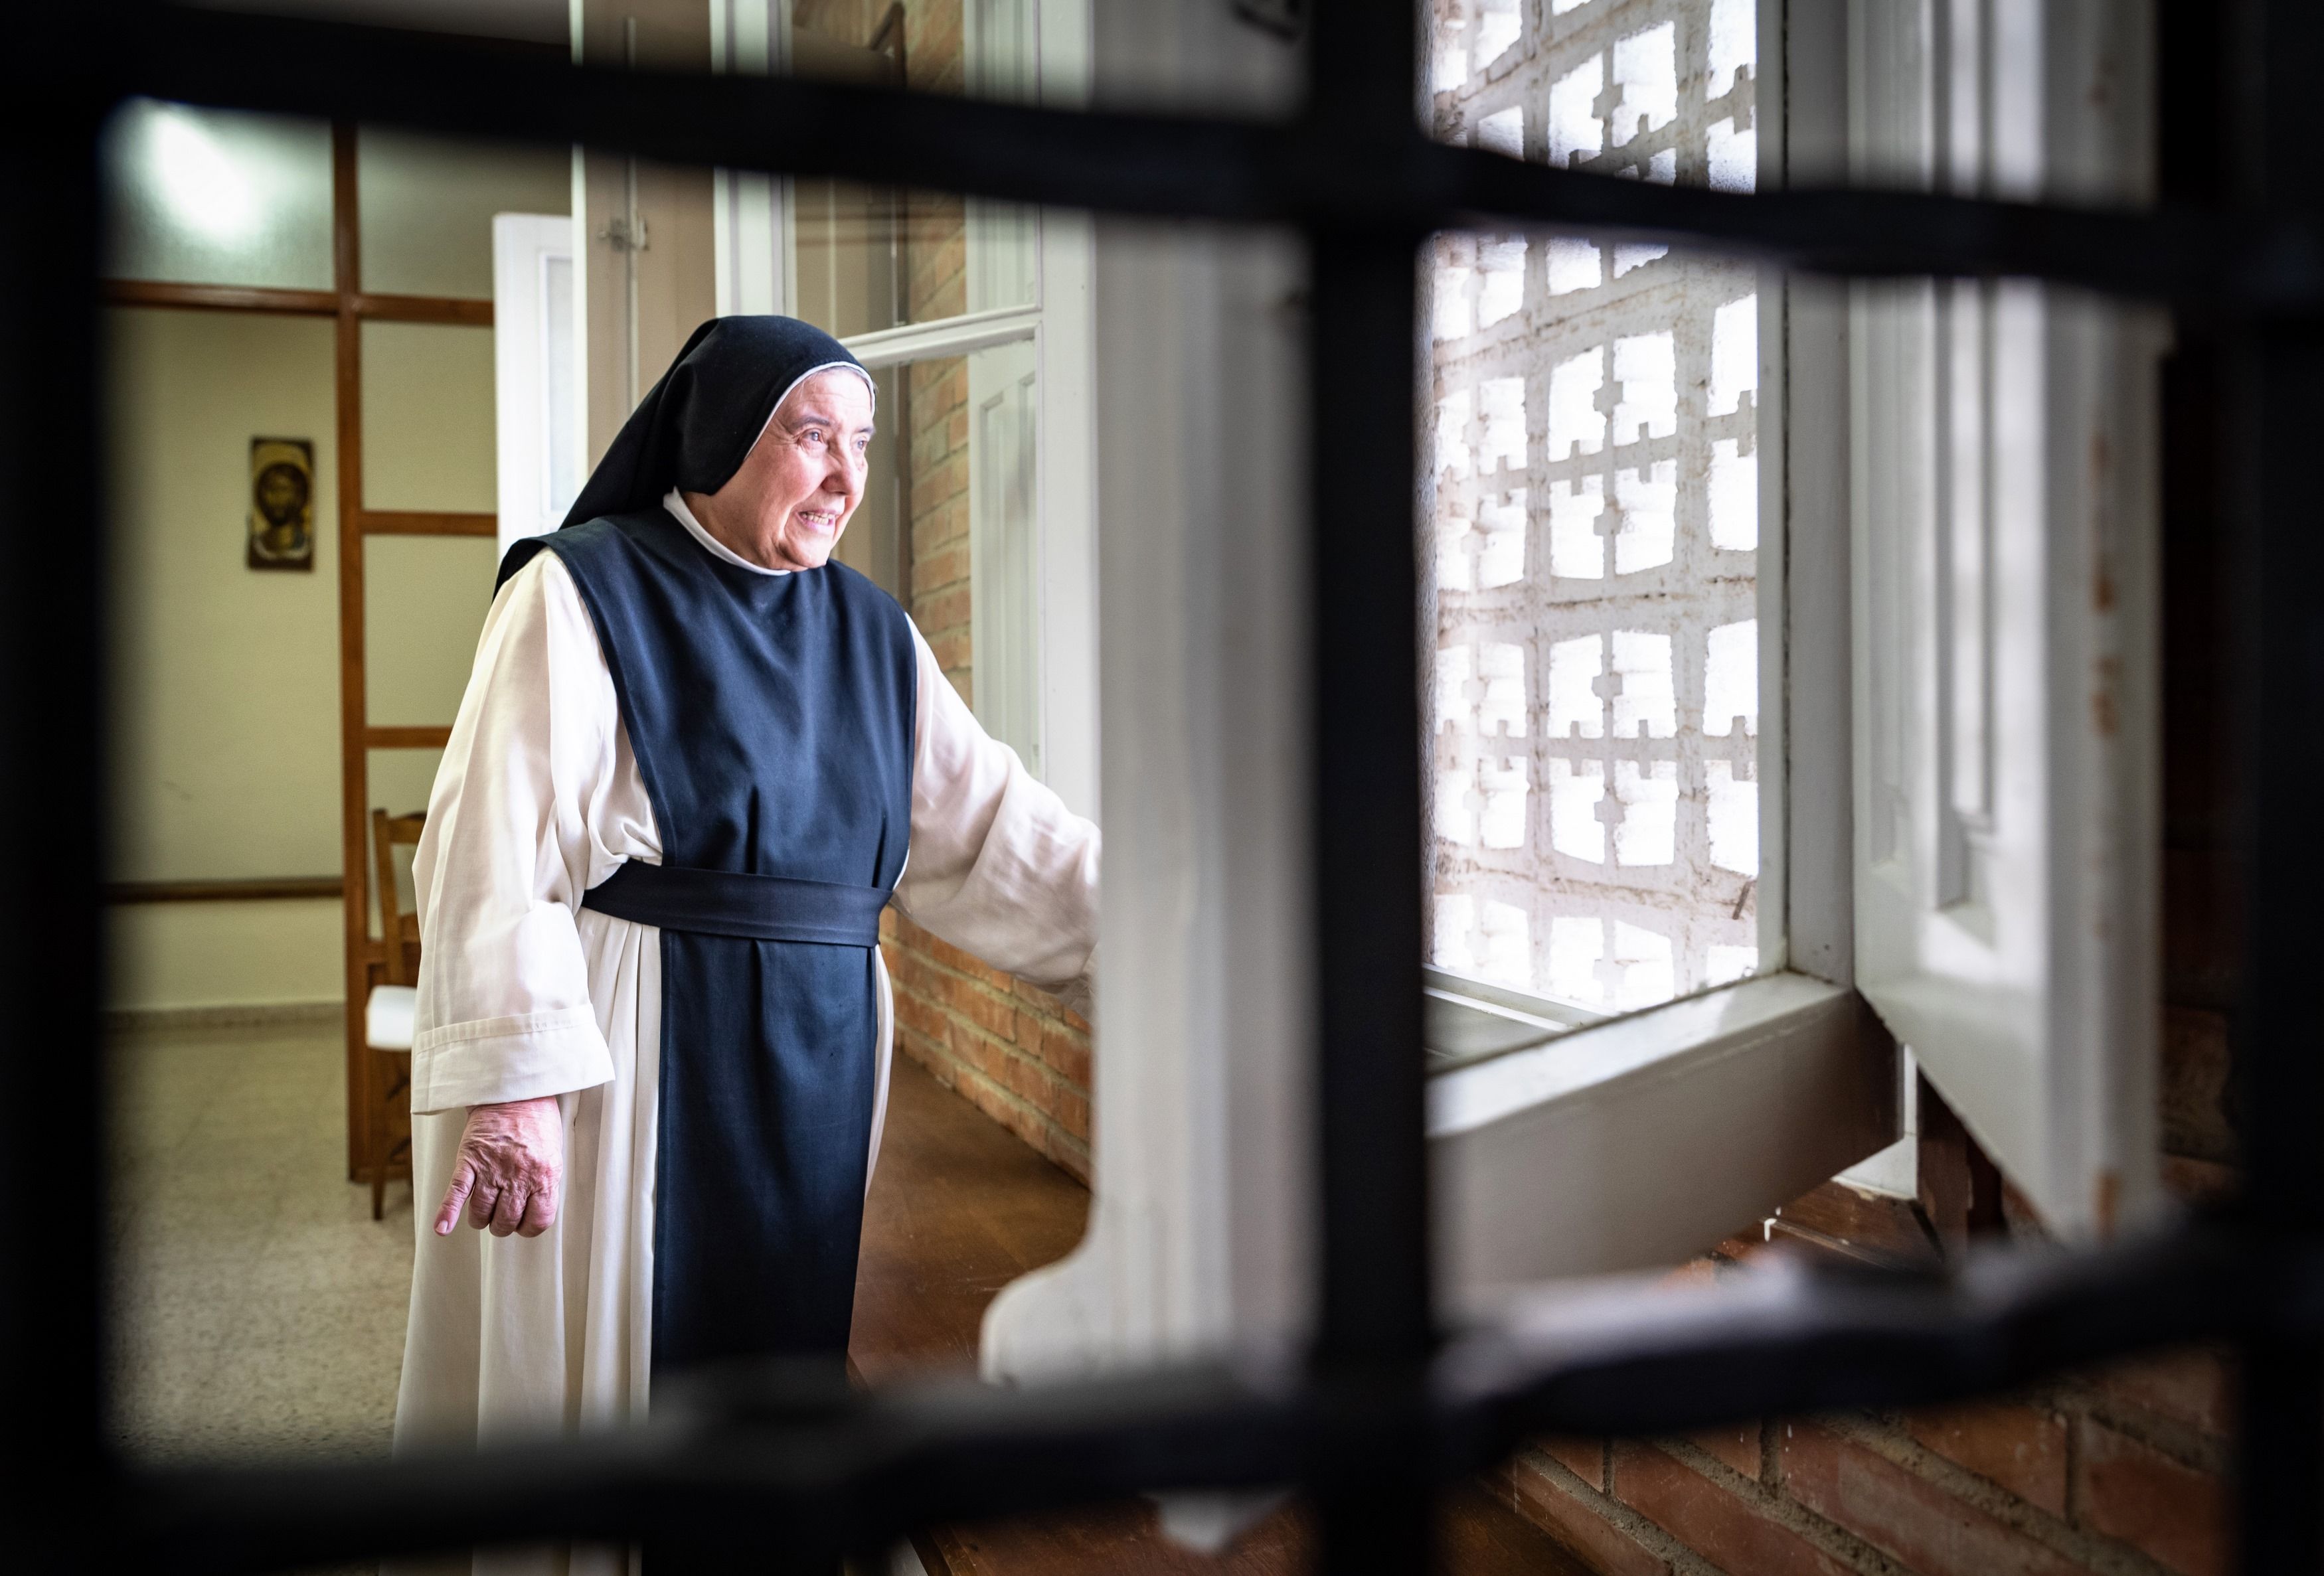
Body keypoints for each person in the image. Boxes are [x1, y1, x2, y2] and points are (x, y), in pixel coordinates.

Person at [392, 317, 1098, 1571]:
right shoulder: (582, 590)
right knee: (620, 1378)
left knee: (778, 1383)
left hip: (817, 1068)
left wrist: (1183, 937)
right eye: (813, 436)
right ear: (718, 433)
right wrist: (516, 1089)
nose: (846, 476)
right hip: (636, 1057)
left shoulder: (875, 637)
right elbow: (490, 845)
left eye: (862, 443)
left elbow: (998, 833)